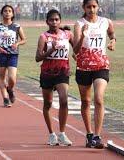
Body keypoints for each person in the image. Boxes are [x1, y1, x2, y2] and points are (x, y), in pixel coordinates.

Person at [73, 0, 116, 149]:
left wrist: (113, 41)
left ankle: (97, 136)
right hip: (84, 66)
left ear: (98, 6)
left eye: (94, 6)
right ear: (83, 8)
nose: (91, 9)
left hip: (101, 66)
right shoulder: (79, 24)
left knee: (98, 99)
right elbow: (76, 50)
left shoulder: (105, 21)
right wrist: (82, 35)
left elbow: (111, 33)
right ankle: (89, 134)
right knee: (86, 101)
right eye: (88, 7)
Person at [35, 9, 76, 146]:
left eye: (57, 19)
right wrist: (50, 51)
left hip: (62, 72)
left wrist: (77, 51)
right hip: (47, 73)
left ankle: (62, 133)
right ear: (47, 21)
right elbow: (37, 57)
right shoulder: (44, 37)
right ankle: (51, 134)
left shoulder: (67, 34)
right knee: (48, 104)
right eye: (51, 20)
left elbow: (77, 48)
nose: (54, 22)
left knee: (64, 100)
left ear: (60, 21)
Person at [0, 5, 26, 107]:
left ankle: (10, 89)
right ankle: (5, 99)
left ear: (13, 14)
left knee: (12, 78)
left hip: (13, 54)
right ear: (2, 13)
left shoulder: (17, 27)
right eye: (5, 11)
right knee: (2, 77)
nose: (7, 13)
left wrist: (17, 44)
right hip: (1, 54)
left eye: (10, 11)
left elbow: (24, 39)